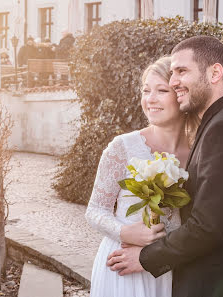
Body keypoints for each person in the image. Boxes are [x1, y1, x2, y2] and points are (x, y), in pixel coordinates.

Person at [107, 35, 223, 297]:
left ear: (215, 73)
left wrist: (145, 257)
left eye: (182, 71)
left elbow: (206, 227)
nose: (174, 81)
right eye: (172, 73)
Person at [85, 56, 199, 297]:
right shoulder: (123, 147)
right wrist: (125, 232)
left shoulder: (198, 152)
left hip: (170, 267)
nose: (150, 99)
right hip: (123, 263)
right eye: (146, 90)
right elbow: (95, 210)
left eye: (161, 90)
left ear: (180, 95)